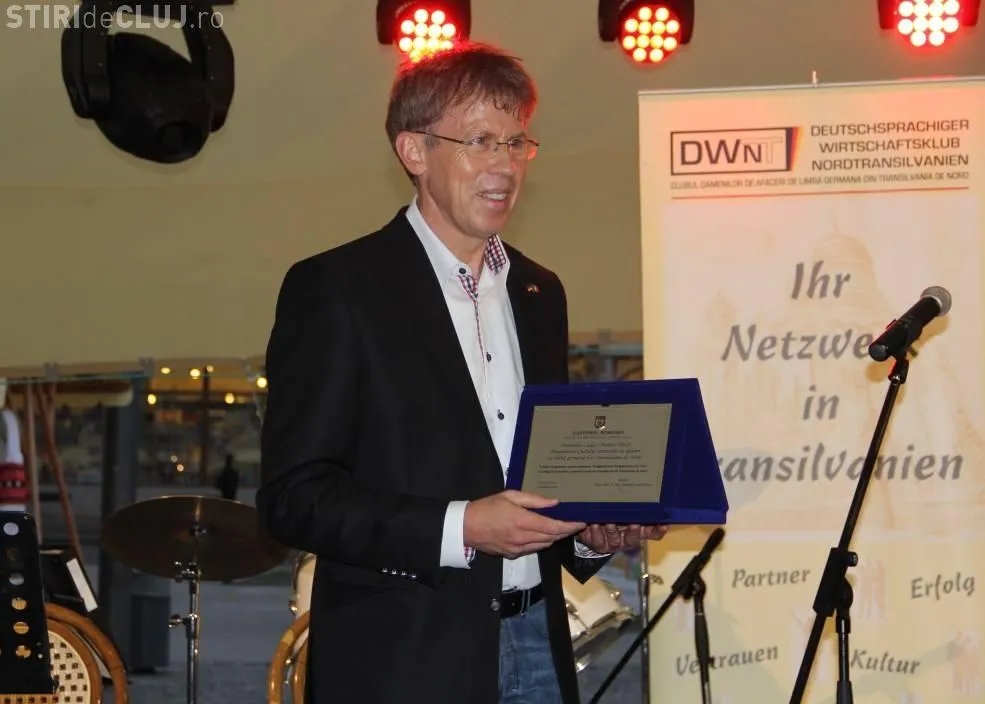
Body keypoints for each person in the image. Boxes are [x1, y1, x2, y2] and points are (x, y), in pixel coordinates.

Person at [256, 42, 666, 704]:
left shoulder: (538, 291)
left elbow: (540, 476)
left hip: (540, 639)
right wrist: (464, 526)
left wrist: (592, 533)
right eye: (479, 142)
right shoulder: (337, 289)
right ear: (413, 152)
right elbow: (294, 498)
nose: (504, 166)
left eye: (516, 142)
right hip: (404, 659)